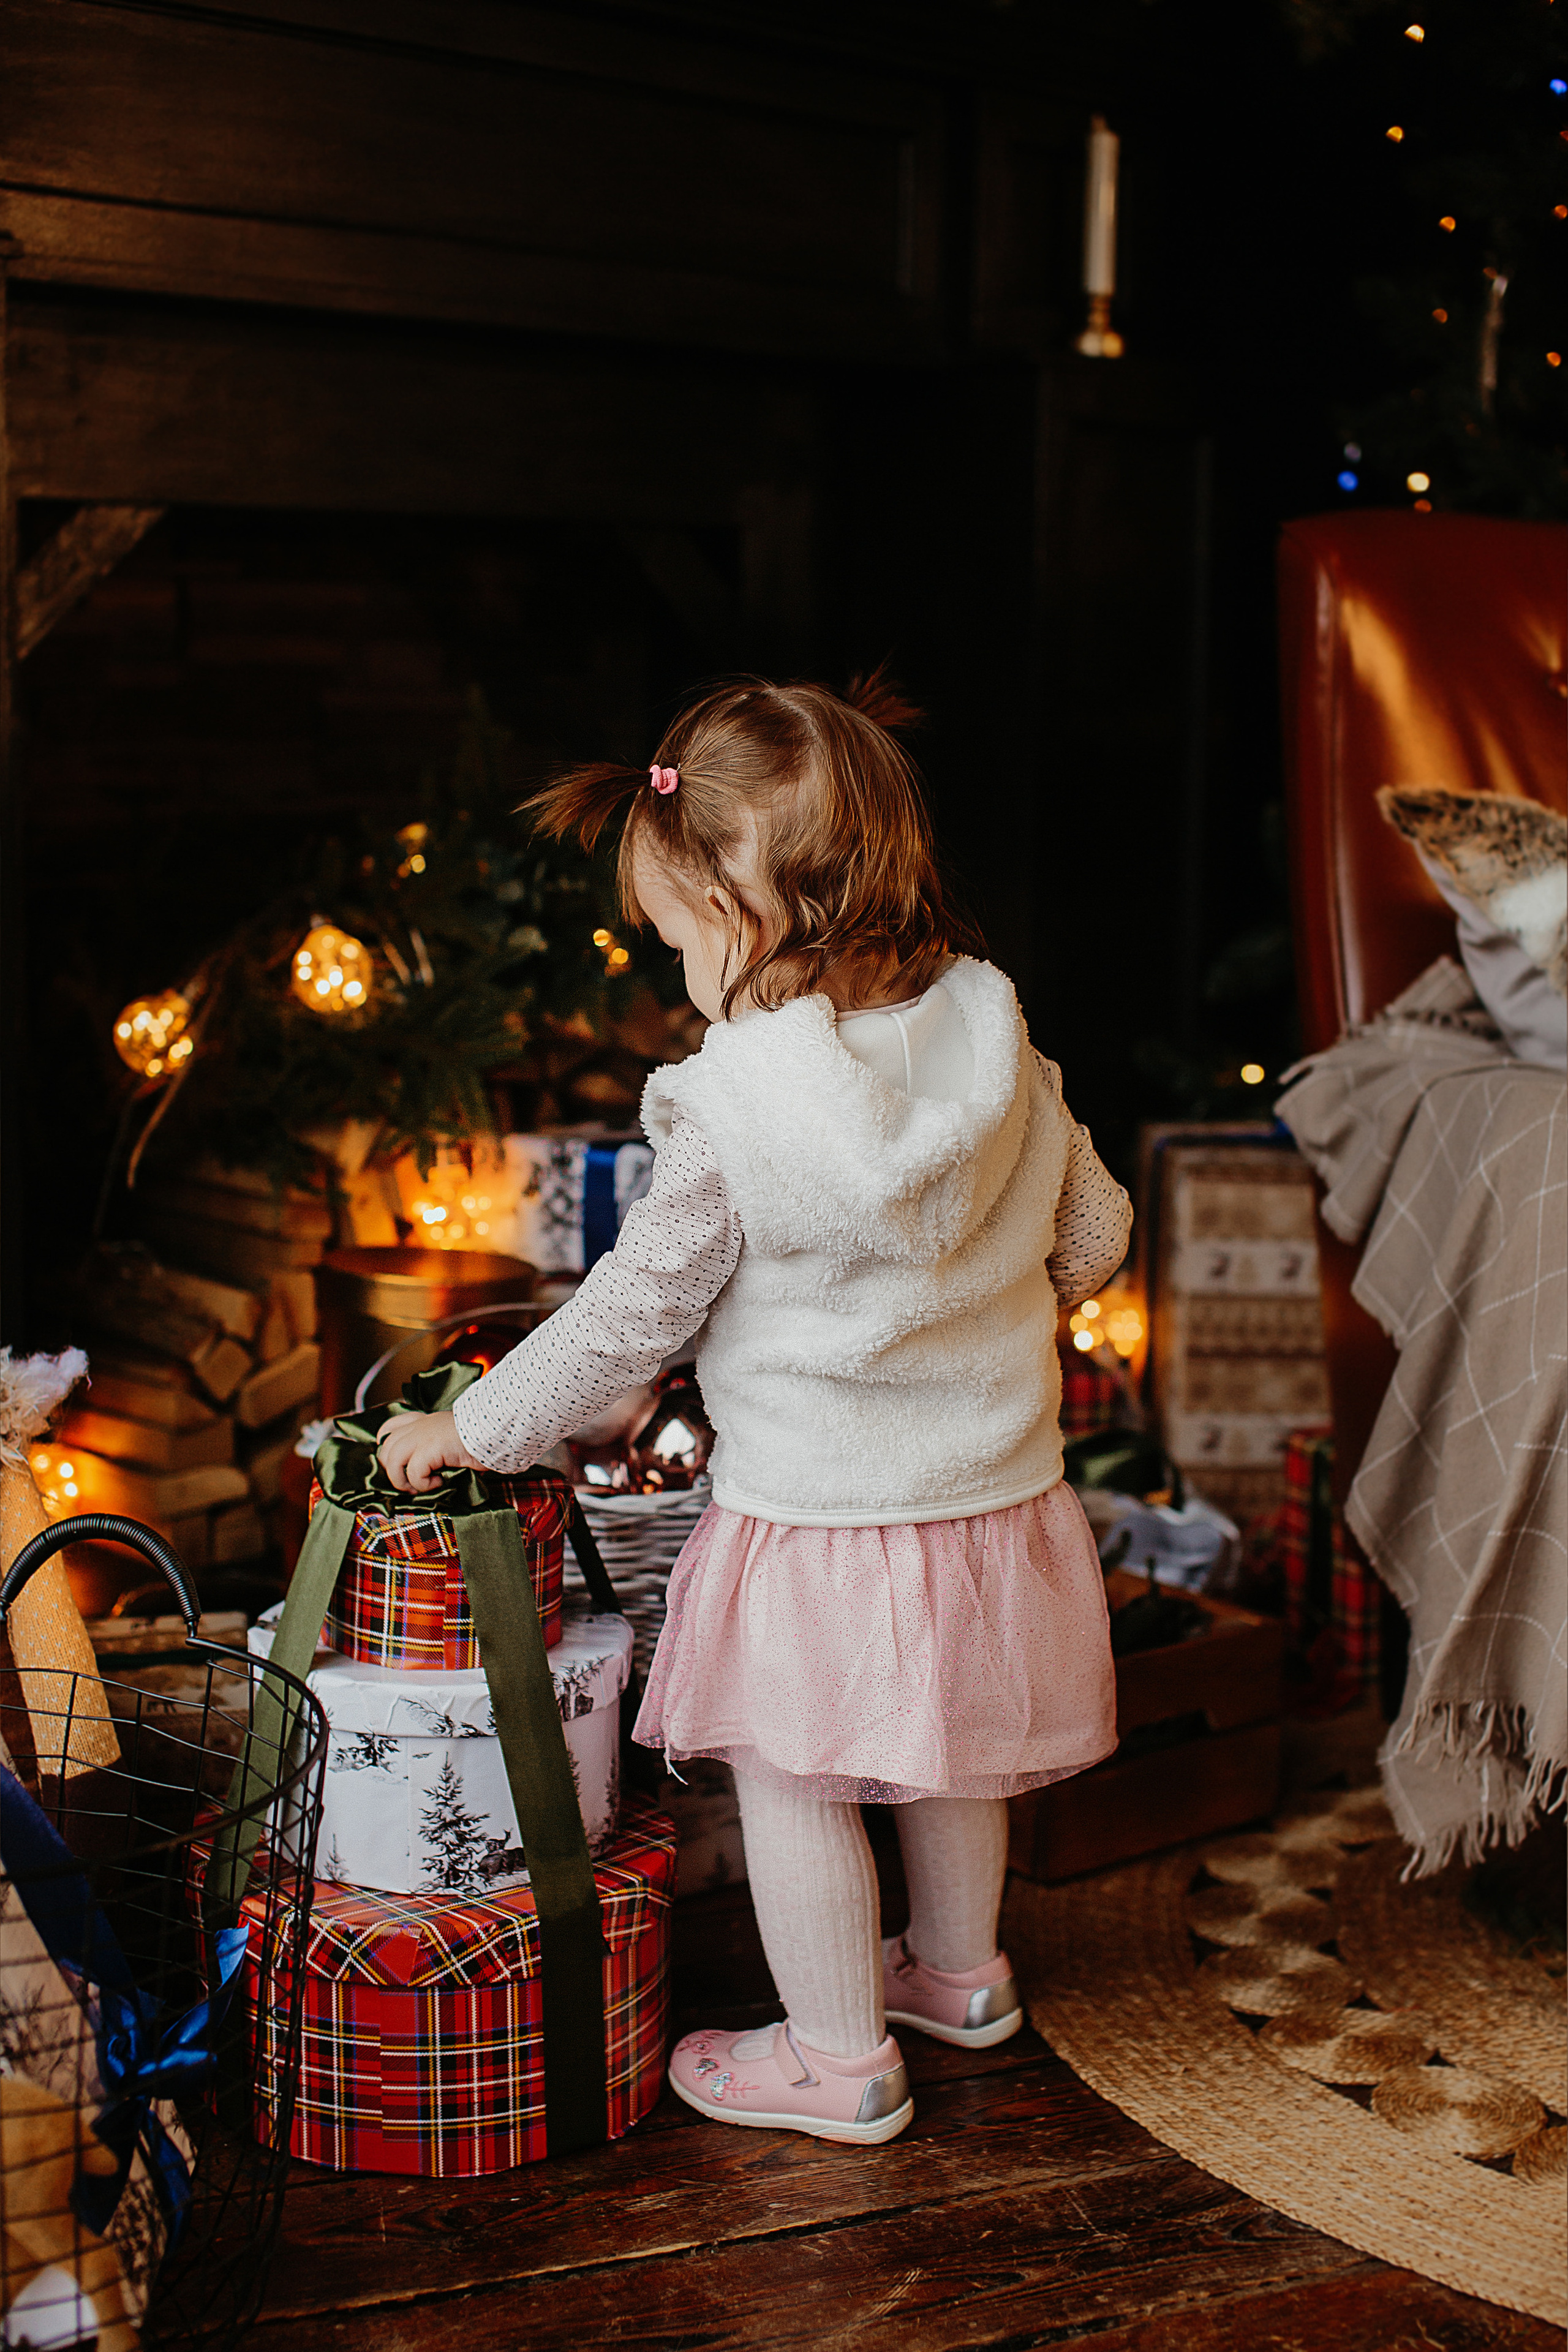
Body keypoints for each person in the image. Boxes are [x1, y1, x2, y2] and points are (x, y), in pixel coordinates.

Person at [378, 673, 1128, 2147]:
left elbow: (626, 1320)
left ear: (745, 902)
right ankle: (959, 1977)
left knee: (798, 1781)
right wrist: (979, 1299)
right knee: (947, 1747)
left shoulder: (733, 1108)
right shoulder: (995, 1033)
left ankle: (838, 2061)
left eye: (671, 936)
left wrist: (472, 1428)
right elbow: (1092, 1234)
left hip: (823, 1520)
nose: (669, 969)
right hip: (993, 1498)